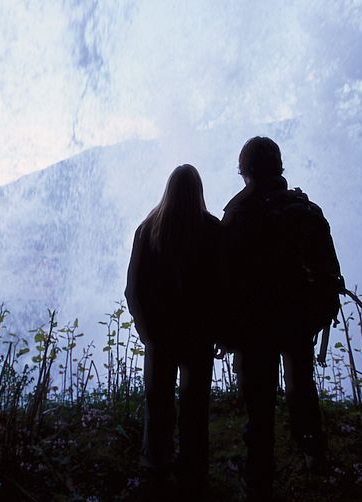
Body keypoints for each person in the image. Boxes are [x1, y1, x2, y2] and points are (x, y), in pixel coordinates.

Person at [222, 136, 343, 500]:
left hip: (257, 325)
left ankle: (259, 474)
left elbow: (225, 277)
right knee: (301, 385)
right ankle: (313, 452)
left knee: (260, 403)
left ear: (245, 170)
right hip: (299, 319)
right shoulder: (304, 208)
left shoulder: (240, 215)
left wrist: (226, 329)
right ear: (279, 168)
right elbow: (328, 269)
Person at [125, 164, 221, 497]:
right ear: (199, 192)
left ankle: (156, 466)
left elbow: (133, 290)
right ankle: (194, 470)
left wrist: (145, 330)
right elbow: (223, 289)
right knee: (195, 404)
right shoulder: (212, 230)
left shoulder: (147, 229)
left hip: (160, 336)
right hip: (199, 336)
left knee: (158, 403)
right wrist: (219, 330)